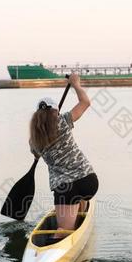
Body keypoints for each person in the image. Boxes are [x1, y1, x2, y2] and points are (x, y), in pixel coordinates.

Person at [29, 73, 98, 239]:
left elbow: (36, 153)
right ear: (56, 112)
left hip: (65, 189)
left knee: (62, 231)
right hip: (88, 181)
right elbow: (85, 103)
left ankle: (59, 238)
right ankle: (79, 214)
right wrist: (75, 84)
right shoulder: (64, 121)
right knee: (79, 197)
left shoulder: (34, 142)